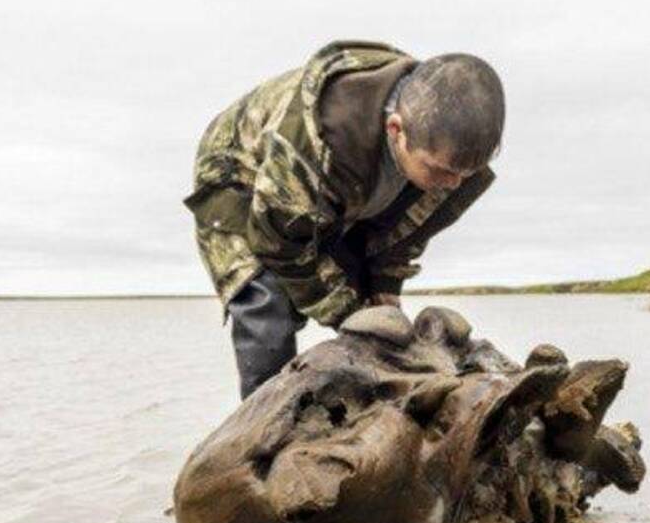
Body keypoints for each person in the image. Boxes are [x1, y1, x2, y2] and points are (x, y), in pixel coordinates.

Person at [185, 40, 504, 398]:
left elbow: (401, 232)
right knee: (269, 306)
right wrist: (348, 315)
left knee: (374, 307)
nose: (452, 184)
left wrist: (384, 289)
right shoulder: (321, 138)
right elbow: (278, 245)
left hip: (336, 193)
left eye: (463, 173)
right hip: (240, 177)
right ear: (397, 130)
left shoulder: (451, 158)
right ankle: (264, 431)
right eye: (440, 171)